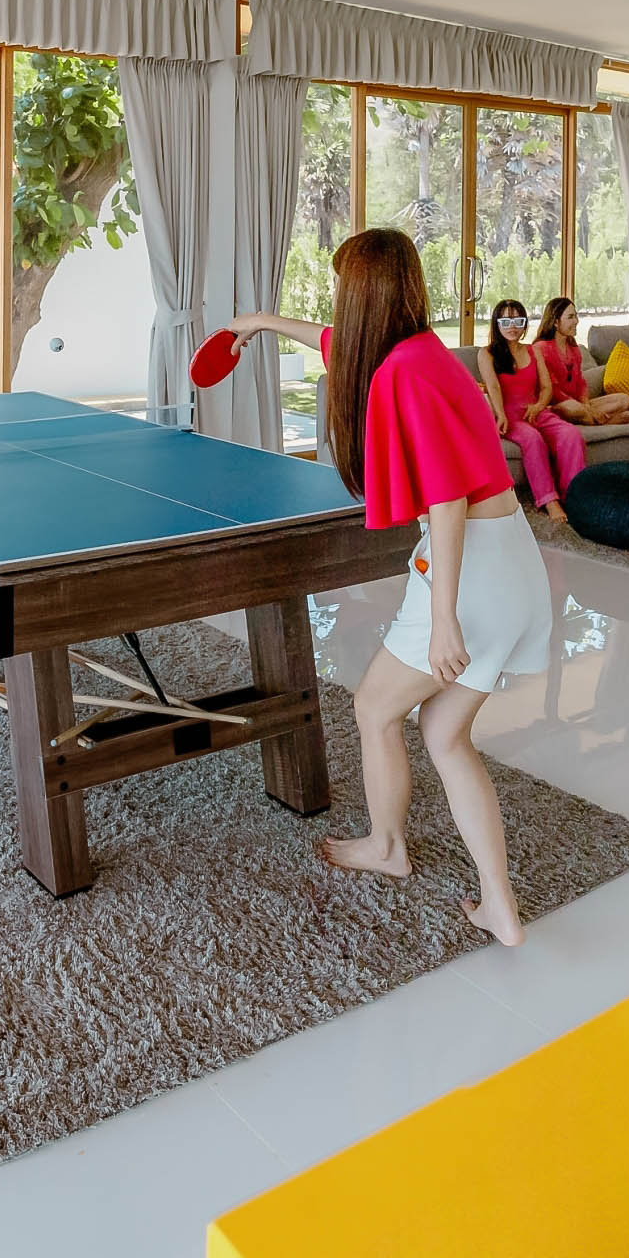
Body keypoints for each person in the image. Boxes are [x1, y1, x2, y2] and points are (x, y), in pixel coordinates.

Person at [230, 228, 552, 947]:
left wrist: (443, 618)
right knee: (444, 735)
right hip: (513, 563)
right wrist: (261, 323)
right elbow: (335, 343)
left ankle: (387, 846)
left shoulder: (402, 373)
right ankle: (498, 905)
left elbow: (447, 500)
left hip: (469, 573)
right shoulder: (420, 352)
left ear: (362, 294)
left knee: (374, 708)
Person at [476, 300, 584, 525]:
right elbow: (493, 387)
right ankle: (549, 500)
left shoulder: (533, 350)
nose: (512, 327)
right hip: (508, 417)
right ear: (497, 323)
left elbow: (546, 387)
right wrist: (501, 415)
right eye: (506, 321)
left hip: (536, 412)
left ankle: (574, 494)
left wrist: (538, 406)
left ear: (524, 323)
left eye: (518, 320)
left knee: (570, 434)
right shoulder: (486, 354)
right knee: (533, 439)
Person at [534, 297, 629, 427]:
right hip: (557, 406)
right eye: (570, 317)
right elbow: (553, 391)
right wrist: (584, 408)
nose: (576, 321)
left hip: (578, 405)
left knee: (624, 400)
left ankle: (589, 417)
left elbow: (581, 383)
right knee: (572, 408)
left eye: (576, 316)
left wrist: (586, 405)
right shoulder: (541, 348)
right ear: (556, 322)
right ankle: (605, 421)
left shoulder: (573, 348)